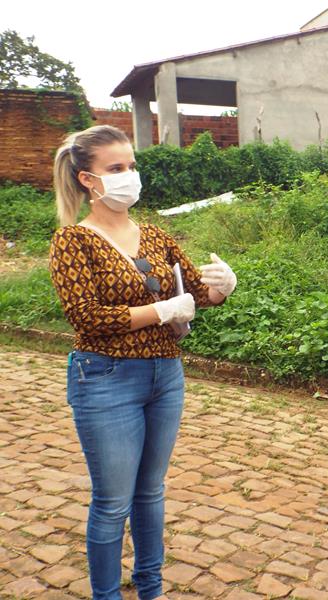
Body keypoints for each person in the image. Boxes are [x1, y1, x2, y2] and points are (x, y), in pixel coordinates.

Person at [49, 125, 238, 600]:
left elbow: (193, 295)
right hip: (105, 377)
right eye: (116, 169)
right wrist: (161, 311)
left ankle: (150, 586)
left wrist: (221, 289)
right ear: (88, 179)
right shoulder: (73, 241)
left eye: (131, 166)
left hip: (165, 375)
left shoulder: (154, 235)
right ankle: (107, 595)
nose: (129, 176)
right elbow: (87, 318)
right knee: (113, 502)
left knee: (150, 492)